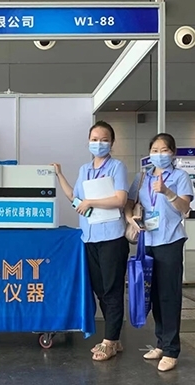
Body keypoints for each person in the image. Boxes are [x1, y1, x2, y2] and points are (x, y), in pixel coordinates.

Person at [52, 120, 129, 361]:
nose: (99, 143)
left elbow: (120, 200)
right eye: (95, 139)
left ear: (112, 142)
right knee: (100, 290)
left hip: (112, 238)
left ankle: (109, 341)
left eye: (104, 139)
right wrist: (59, 175)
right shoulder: (85, 169)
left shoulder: (117, 167)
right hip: (90, 238)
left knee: (112, 290)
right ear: (88, 142)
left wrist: (91, 202)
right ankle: (114, 338)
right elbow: (75, 198)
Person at [125, 133, 192, 372]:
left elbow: (185, 207)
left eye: (164, 150)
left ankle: (172, 350)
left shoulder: (180, 176)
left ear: (172, 153)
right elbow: (129, 203)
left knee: (169, 295)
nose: (159, 154)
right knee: (153, 294)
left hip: (170, 240)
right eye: (155, 150)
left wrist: (167, 192)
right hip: (148, 240)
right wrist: (130, 218)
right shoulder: (142, 176)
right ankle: (161, 343)